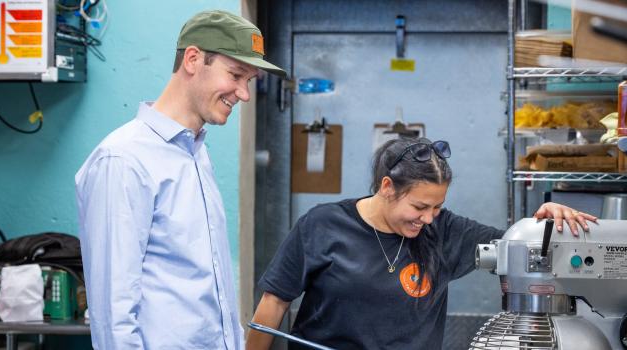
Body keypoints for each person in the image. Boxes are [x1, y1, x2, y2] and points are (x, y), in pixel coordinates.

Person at [246, 137, 596, 350]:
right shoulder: (322, 225)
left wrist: (542, 224)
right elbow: (274, 302)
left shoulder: (443, 231)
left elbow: (519, 250)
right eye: (419, 206)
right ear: (387, 187)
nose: (428, 218)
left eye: (437, 207)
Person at [75, 10, 285, 349]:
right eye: (235, 75)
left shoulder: (195, 153)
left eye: (249, 81)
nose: (243, 94)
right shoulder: (124, 160)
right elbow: (113, 318)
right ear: (193, 59)